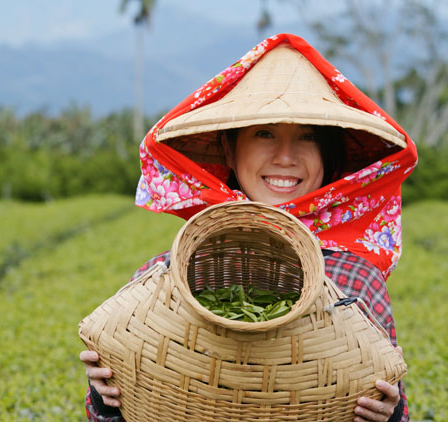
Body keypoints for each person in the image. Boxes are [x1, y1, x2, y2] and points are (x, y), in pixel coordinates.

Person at [80, 33, 418, 422]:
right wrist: (105, 397)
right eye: (265, 133)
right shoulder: (166, 278)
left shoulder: (355, 281)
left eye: (307, 137)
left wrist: (388, 412)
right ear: (229, 148)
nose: (286, 157)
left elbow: (393, 406)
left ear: (329, 156)